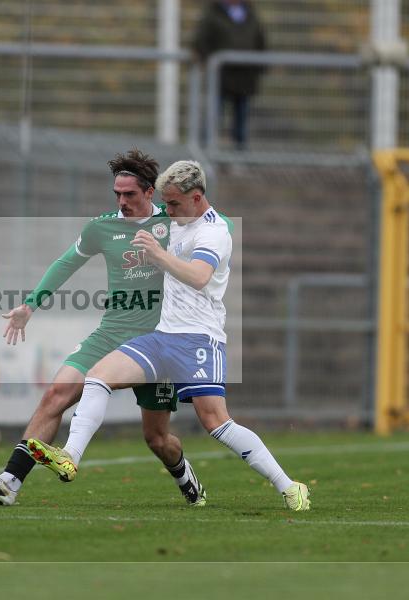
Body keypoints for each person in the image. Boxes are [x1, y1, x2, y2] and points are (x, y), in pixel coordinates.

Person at [28, 160, 311, 512]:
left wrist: (159, 255)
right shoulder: (176, 220)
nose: (168, 211)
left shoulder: (214, 232)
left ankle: (289, 486)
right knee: (98, 376)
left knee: (215, 422)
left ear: (196, 198)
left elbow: (199, 276)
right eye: (166, 203)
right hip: (161, 336)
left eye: (174, 203)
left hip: (198, 339)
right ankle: (70, 456)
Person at [0, 149, 208, 508]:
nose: (122, 201)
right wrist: (30, 305)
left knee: (157, 439)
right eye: (117, 194)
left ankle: (182, 474)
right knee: (56, 394)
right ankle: (9, 483)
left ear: (150, 192)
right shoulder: (101, 227)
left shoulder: (174, 221)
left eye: (129, 194)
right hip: (111, 334)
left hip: (158, 342)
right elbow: (65, 263)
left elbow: (210, 234)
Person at [192, 0, 267, 150]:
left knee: (241, 122)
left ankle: (239, 156)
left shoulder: (250, 14)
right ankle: (206, 154)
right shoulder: (213, 14)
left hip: (245, 77)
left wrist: (259, 66)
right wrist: (210, 62)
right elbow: (201, 41)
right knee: (213, 118)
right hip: (220, 77)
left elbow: (260, 42)